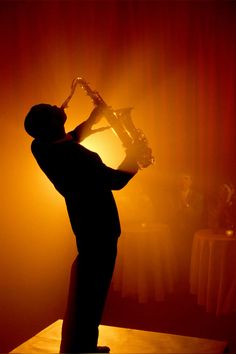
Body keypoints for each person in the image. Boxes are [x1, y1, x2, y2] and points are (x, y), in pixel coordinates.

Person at [24, 103, 139, 353]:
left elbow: (69, 138)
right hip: (102, 227)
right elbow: (117, 181)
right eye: (51, 108)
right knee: (92, 293)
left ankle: (80, 345)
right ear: (54, 124)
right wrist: (135, 155)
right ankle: (79, 349)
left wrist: (91, 119)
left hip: (85, 225)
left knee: (86, 288)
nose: (57, 104)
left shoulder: (40, 146)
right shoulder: (79, 157)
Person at [166, 172, 204, 290]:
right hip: (176, 231)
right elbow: (169, 213)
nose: (183, 181)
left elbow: (197, 215)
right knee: (176, 256)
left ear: (191, 182)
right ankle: (178, 281)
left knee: (190, 256)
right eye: (181, 179)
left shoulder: (198, 196)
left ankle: (191, 281)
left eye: (186, 178)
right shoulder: (171, 195)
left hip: (190, 231)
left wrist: (186, 206)